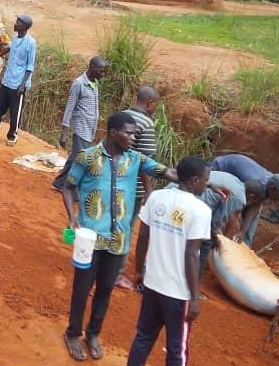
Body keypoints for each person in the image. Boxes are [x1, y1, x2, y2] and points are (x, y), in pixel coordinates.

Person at [61, 111, 179, 361]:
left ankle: (93, 334)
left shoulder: (135, 159)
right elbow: (68, 185)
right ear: (113, 132)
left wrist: (201, 181)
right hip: (89, 238)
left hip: (118, 239)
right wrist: (72, 216)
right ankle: (73, 332)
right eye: (129, 132)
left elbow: (166, 173)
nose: (133, 137)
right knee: (82, 288)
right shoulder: (88, 156)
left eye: (135, 133)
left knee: (105, 289)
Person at [126, 156, 212, 366]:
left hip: (152, 284)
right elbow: (192, 254)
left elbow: (143, 236)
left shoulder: (156, 197)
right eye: (205, 179)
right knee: (177, 349)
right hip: (178, 293)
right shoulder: (201, 211)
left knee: (143, 337)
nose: (207, 184)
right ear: (193, 181)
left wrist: (139, 271)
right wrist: (193, 297)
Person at [114, 86, 161, 288]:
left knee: (111, 222)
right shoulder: (147, 124)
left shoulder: (122, 115)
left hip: (114, 179)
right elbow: (144, 160)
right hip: (132, 187)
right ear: (150, 103)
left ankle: (100, 263)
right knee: (126, 228)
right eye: (155, 105)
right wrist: (148, 190)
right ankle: (117, 273)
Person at [210, 153, 279, 246]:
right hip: (219, 169)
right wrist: (222, 240)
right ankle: (216, 243)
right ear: (273, 188)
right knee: (226, 212)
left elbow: (255, 207)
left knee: (249, 227)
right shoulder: (257, 184)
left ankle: (244, 247)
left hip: (238, 183)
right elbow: (235, 211)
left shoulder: (268, 184)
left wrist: (242, 232)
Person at [52, 57, 107, 190]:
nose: (103, 74)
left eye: (104, 72)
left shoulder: (94, 83)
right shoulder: (79, 84)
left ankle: (60, 182)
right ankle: (70, 187)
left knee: (76, 157)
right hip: (81, 127)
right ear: (92, 67)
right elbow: (69, 108)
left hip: (90, 128)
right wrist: (64, 134)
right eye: (101, 71)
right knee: (80, 158)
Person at [0, 14, 35, 146]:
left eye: (18, 22)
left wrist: (23, 85)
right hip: (7, 81)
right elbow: (7, 48)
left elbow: (30, 66)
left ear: (25, 26)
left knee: (15, 112)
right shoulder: (15, 38)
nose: (15, 24)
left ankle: (12, 136)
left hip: (18, 84)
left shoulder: (31, 43)